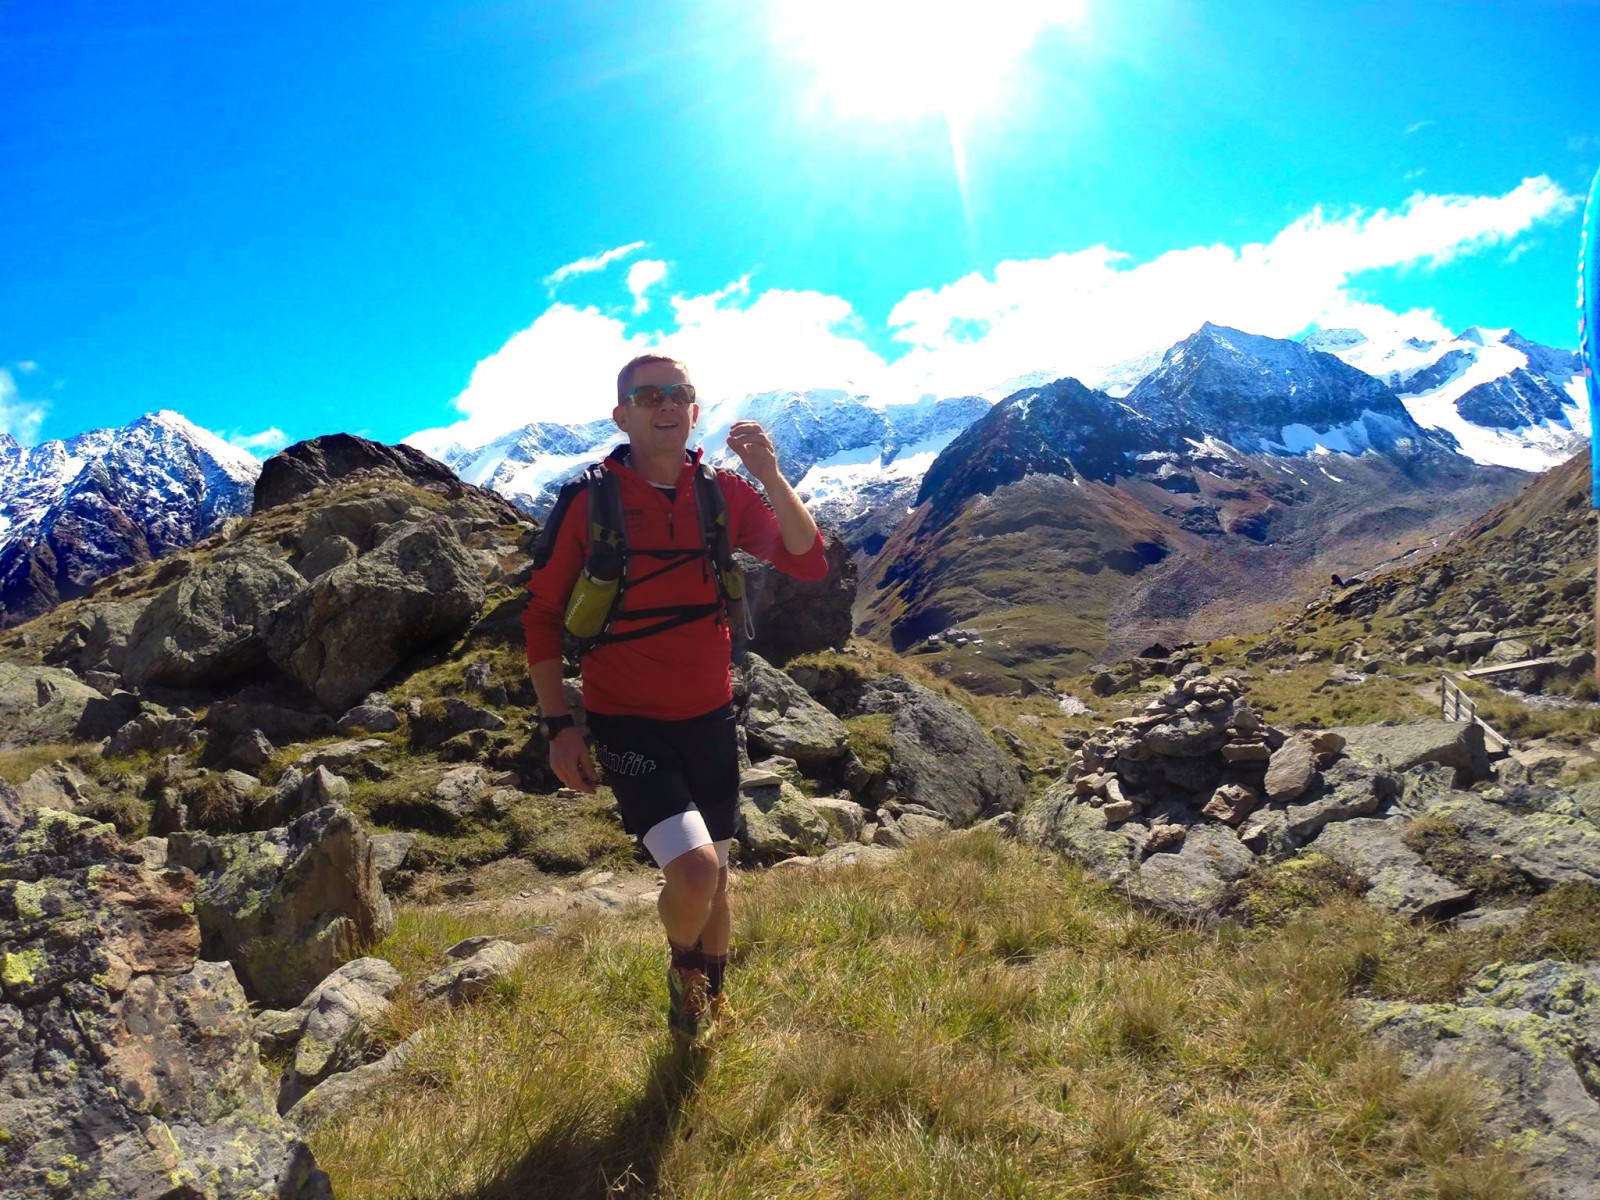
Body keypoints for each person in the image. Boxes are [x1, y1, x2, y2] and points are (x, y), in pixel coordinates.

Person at [522, 354, 829, 1043]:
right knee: (694, 873)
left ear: (695, 410)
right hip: (627, 723)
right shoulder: (589, 500)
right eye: (647, 394)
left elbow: (807, 559)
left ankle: (704, 1008)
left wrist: (772, 475)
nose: (665, 404)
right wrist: (558, 727)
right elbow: (540, 615)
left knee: (717, 877)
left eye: (679, 393)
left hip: (711, 718)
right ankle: (681, 971)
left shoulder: (722, 492)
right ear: (621, 415)